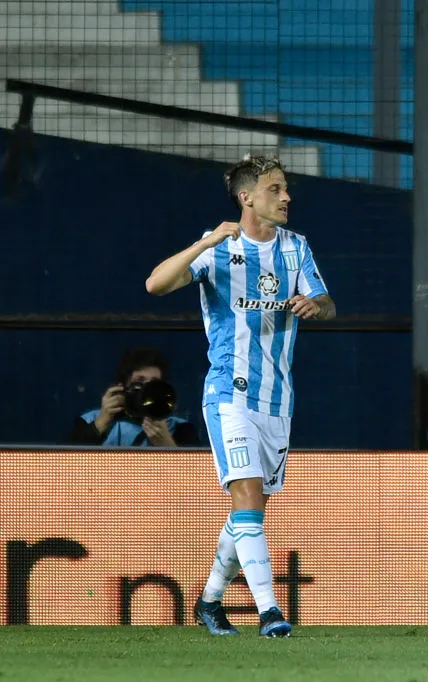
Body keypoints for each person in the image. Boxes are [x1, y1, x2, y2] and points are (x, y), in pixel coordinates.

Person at [144, 154, 336, 638]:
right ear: (247, 197)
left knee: (247, 510)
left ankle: (209, 601)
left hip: (278, 400)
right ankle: (271, 612)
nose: (287, 196)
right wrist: (204, 241)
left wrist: (315, 304)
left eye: (286, 188)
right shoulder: (219, 249)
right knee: (247, 497)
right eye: (276, 189)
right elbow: (156, 284)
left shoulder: (296, 248)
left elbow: (329, 303)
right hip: (229, 392)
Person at [64, 346, 200, 447]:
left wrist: (167, 444)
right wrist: (101, 423)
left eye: (154, 384)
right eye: (139, 382)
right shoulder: (90, 420)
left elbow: (199, 478)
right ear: (121, 387)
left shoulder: (179, 428)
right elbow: (60, 463)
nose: (146, 390)